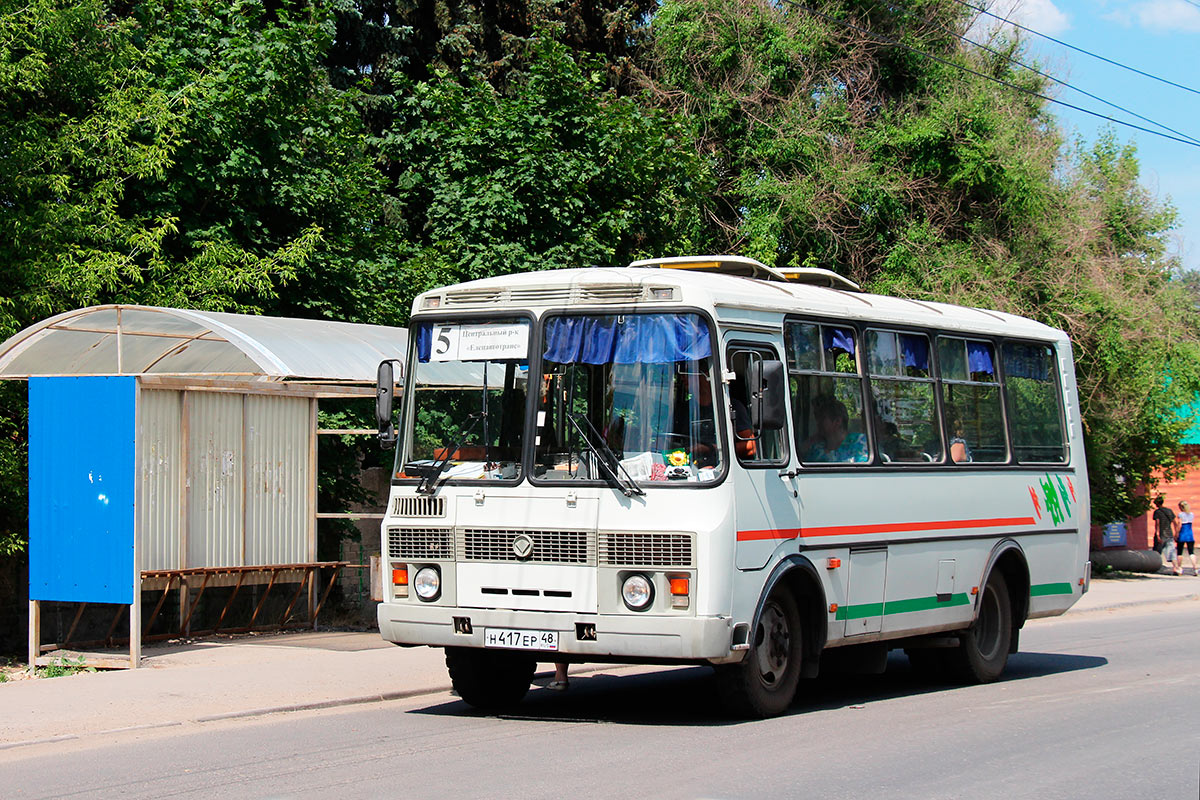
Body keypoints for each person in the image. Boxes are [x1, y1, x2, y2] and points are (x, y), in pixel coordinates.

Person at [802, 394, 867, 463]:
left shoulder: (860, 442)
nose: (818, 423)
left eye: (823, 418)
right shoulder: (816, 448)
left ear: (837, 421)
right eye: (817, 419)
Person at [1151, 496, 1177, 573]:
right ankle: (1176, 568)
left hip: (1162, 534)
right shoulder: (1169, 511)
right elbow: (1175, 522)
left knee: (1157, 552)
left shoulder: (1157, 512)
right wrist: (1176, 533)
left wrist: (1157, 534)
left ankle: (1154, 567)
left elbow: (1157, 524)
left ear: (1157, 503)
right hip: (1169, 534)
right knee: (1171, 552)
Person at [1173, 500, 1198, 576]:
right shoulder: (1191, 514)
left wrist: (1176, 534)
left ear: (1181, 507)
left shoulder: (1180, 515)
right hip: (1190, 534)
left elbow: (1179, 524)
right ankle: (1195, 568)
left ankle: (1180, 568)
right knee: (1191, 552)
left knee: (1180, 552)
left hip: (1182, 534)